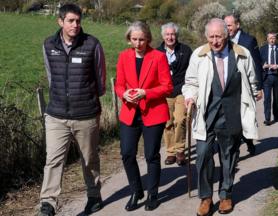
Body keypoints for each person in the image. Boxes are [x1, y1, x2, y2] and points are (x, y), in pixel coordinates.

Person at [182, 18, 261, 215]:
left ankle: (226, 195)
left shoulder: (242, 54)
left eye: (219, 36)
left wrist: (253, 98)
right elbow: (191, 82)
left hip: (232, 113)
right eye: (211, 37)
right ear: (206, 37)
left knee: (230, 155)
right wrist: (190, 97)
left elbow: (251, 80)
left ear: (227, 35)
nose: (215, 41)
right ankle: (206, 197)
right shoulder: (198, 55)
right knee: (202, 155)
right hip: (206, 113)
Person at [39, 3, 106, 216]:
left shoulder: (92, 44)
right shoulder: (48, 44)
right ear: (60, 21)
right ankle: (48, 203)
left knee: (89, 159)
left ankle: (94, 195)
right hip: (56, 115)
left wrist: (89, 101)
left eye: (78, 21)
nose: (75, 25)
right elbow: (51, 77)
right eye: (70, 21)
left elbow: (101, 81)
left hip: (86, 115)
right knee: (53, 160)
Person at [115, 21, 173, 212]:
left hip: (153, 113)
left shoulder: (158, 57)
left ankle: (153, 195)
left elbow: (167, 87)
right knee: (127, 153)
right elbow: (119, 84)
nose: (138, 43)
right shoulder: (124, 57)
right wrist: (123, 94)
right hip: (130, 113)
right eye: (134, 39)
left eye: (142, 39)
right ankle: (136, 191)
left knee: (151, 155)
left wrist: (146, 93)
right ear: (128, 39)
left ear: (148, 38)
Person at [223, 12, 263, 155]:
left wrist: (259, 87)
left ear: (237, 25)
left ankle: (249, 142)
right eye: (225, 25)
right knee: (233, 119)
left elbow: (257, 64)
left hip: (244, 86)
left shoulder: (249, 40)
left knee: (245, 117)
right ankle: (235, 149)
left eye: (229, 25)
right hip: (229, 89)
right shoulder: (222, 42)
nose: (227, 29)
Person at [157, 22, 192, 166]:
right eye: (167, 34)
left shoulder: (186, 50)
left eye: (172, 34)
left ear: (176, 35)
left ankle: (180, 150)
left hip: (181, 90)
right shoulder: (157, 52)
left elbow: (191, 71)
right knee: (168, 122)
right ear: (163, 36)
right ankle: (170, 152)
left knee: (180, 119)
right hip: (164, 92)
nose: (170, 37)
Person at [259, 32, 278, 125]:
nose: (272, 40)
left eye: (274, 38)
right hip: (267, 77)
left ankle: (276, 115)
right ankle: (267, 119)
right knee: (267, 98)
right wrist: (262, 66)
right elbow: (257, 62)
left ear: (276, 39)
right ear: (267, 39)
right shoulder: (262, 49)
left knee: (276, 98)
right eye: (270, 38)